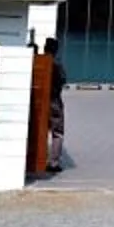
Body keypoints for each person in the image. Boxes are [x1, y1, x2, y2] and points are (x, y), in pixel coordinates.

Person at [41, 36, 68, 173]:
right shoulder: (57, 65)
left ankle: (37, 158)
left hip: (40, 101)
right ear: (56, 50)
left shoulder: (39, 62)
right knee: (57, 132)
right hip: (54, 101)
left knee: (39, 130)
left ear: (44, 48)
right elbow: (63, 80)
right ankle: (53, 163)